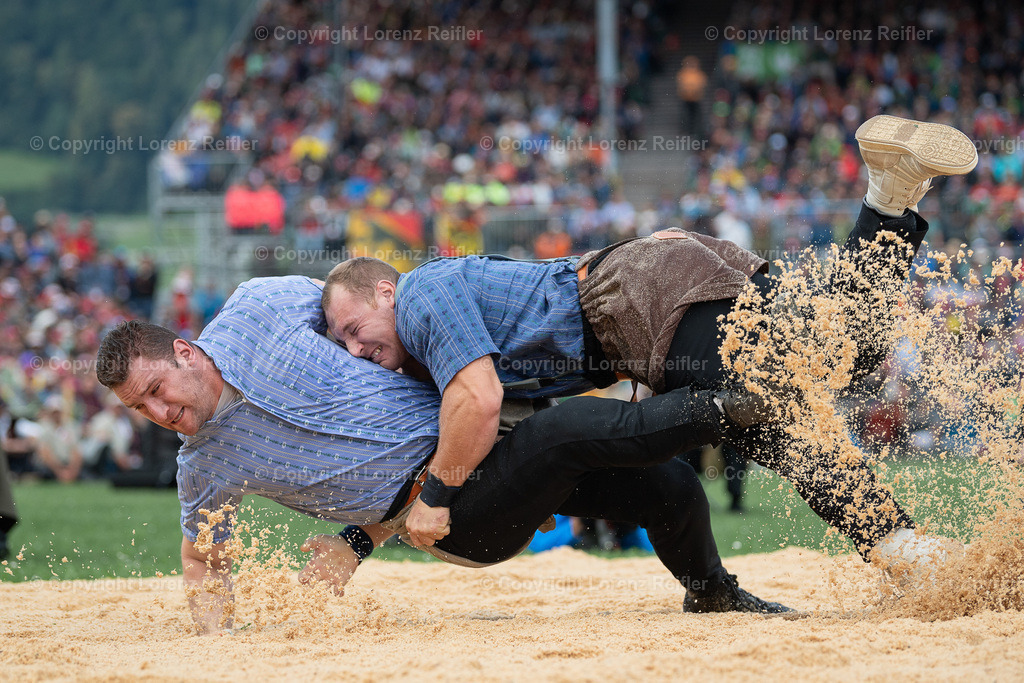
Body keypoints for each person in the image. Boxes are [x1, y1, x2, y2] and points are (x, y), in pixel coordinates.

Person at [321, 115, 980, 572]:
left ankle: (887, 197)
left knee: (810, 375)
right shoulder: (437, 337)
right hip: (639, 300)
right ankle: (903, 549)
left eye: (354, 329)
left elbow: (478, 402)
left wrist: (436, 501)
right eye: (342, 343)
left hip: (633, 301)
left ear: (385, 291)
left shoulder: (421, 295)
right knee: (791, 416)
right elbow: (448, 442)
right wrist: (359, 538)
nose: (354, 348)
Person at [95, 278, 790, 635]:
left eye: (156, 389)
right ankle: (728, 405)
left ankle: (711, 588)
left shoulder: (259, 304)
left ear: (184, 351)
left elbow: (363, 306)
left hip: (483, 436)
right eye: (140, 408)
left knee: (663, 486)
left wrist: (353, 542)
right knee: (567, 433)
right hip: (450, 514)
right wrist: (216, 646)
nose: (158, 413)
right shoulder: (203, 466)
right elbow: (203, 561)